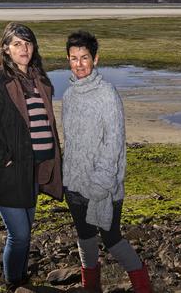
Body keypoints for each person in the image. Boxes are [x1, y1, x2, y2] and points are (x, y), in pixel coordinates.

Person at [62, 30, 153, 293]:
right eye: (74, 58)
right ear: (68, 59)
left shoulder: (107, 94)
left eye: (85, 57)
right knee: (85, 237)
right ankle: (90, 284)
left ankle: (142, 283)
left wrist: (100, 185)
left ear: (96, 59)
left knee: (112, 238)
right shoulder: (68, 95)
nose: (79, 64)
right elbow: (73, 142)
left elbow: (113, 143)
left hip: (104, 187)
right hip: (75, 185)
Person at [0, 22, 63, 290]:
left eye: (27, 43)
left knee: (25, 231)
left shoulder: (41, 80)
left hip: (34, 170)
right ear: (6, 49)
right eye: (17, 43)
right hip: (8, 172)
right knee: (20, 234)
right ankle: (13, 282)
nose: (23, 48)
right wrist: (4, 158)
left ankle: (20, 275)